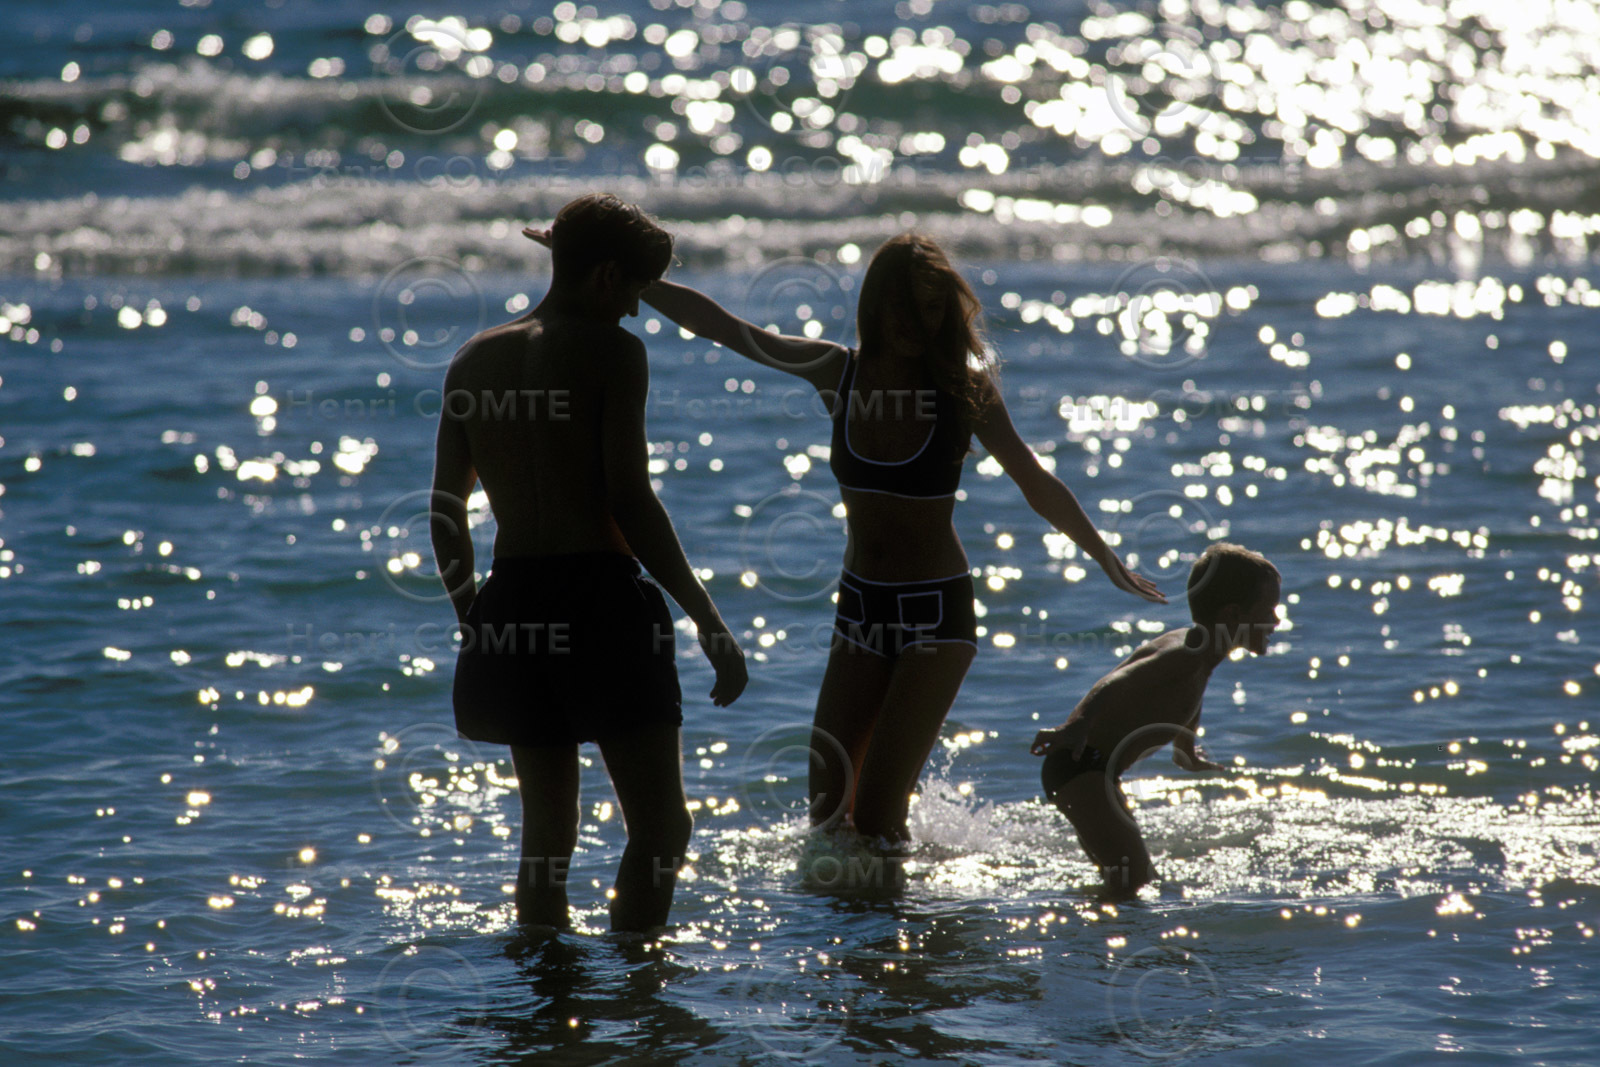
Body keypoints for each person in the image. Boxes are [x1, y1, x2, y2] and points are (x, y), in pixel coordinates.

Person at [522, 227, 1163, 850]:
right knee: (828, 816)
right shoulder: (838, 373)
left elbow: (1034, 478)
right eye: (905, 306)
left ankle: (902, 946)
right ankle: (854, 943)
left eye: (933, 308)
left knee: (880, 819)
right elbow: (729, 330)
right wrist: (613, 271)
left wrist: (1103, 554)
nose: (917, 320)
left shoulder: (963, 392)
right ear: (876, 304)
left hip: (936, 614)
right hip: (860, 608)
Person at [431, 193, 747, 934]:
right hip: (600, 603)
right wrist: (708, 618)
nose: (638, 312)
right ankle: (639, 988)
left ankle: (548, 1015)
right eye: (635, 292)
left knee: (546, 841)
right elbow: (630, 501)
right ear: (606, 277)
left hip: (513, 604)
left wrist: (472, 615)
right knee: (662, 829)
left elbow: (446, 510)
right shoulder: (612, 352)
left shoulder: (472, 358)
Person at [1032, 542, 1281, 897]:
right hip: (1079, 766)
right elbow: (1116, 682)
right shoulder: (1186, 652)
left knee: (1128, 880)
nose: (1276, 621)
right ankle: (1087, 944)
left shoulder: (1204, 651)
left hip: (1096, 773)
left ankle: (1091, 937)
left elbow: (1184, 702)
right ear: (1233, 614)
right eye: (1268, 610)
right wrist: (1078, 725)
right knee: (1133, 881)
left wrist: (1186, 750)